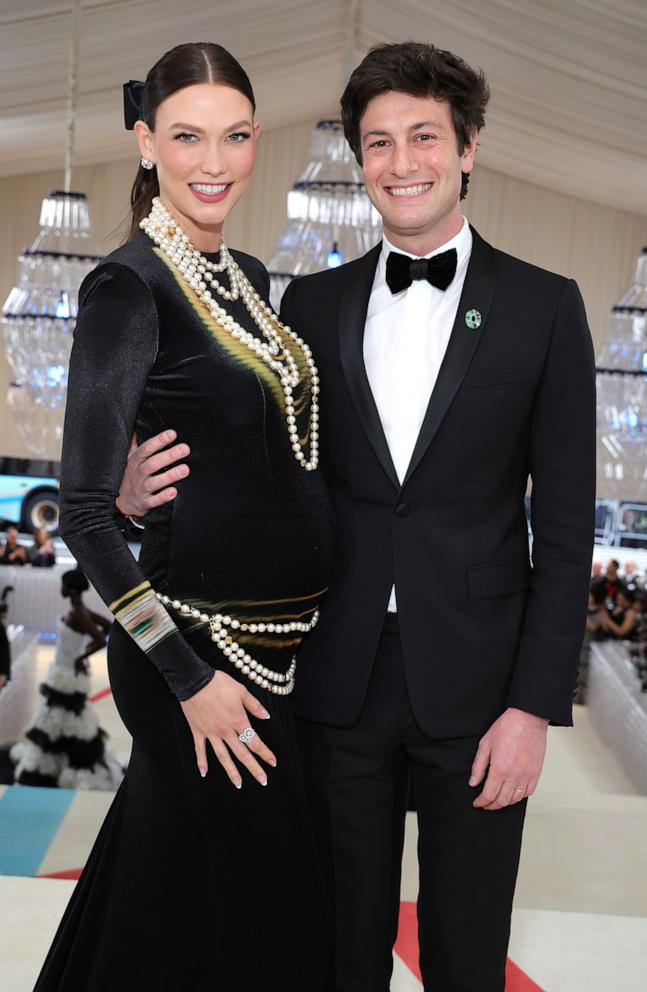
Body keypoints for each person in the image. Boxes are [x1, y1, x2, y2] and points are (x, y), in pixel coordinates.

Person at [118, 42, 596, 992]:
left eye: (423, 136)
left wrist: (533, 706)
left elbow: (570, 527)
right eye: (377, 143)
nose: (400, 162)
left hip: (481, 693)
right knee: (335, 955)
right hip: (328, 685)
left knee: (465, 958)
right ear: (358, 160)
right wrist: (131, 496)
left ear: (467, 150)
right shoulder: (311, 302)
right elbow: (266, 478)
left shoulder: (546, 307)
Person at [36, 43, 334, 991]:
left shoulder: (240, 269)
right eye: (187, 137)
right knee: (257, 916)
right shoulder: (129, 287)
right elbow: (85, 513)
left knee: (171, 900)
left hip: (275, 652)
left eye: (236, 136)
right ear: (145, 141)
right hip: (195, 658)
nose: (215, 162)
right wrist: (186, 677)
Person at [11, 570, 122, 789]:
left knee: (58, 717)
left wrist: (81, 656)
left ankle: (59, 765)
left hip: (65, 674)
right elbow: (108, 627)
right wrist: (83, 654)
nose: (60, 589)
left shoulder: (78, 614)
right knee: (62, 718)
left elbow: (102, 638)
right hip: (65, 671)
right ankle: (61, 761)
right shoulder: (80, 611)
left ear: (70, 588)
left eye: (63, 585)